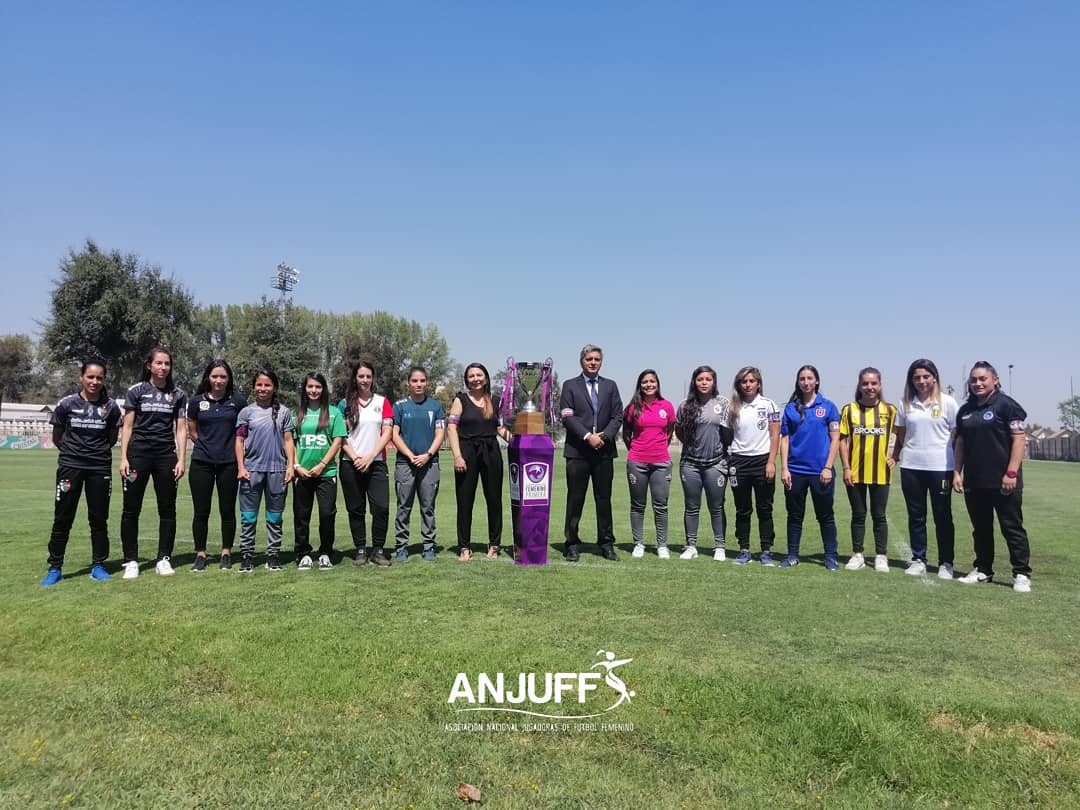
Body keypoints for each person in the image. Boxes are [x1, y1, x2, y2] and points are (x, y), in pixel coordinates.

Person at [40, 361, 122, 586]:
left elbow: (112, 438)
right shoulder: (67, 404)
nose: (95, 382)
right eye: (90, 377)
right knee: (63, 518)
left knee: (98, 519)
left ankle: (98, 565)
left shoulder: (111, 406)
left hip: (99, 468)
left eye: (99, 378)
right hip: (70, 466)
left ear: (103, 380)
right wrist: (74, 454)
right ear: (81, 378)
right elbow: (58, 437)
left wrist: (95, 454)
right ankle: (55, 567)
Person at [953, 361, 1032, 593]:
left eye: (982, 379)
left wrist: (1011, 472)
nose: (977, 383)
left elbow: (1019, 439)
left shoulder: (1006, 406)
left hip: (1004, 481)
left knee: (1012, 528)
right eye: (973, 380)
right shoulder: (965, 410)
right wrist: (957, 471)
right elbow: (960, 443)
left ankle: (1021, 573)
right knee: (981, 529)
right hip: (975, 482)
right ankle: (983, 570)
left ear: (995, 380)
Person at [119, 347, 188, 579]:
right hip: (138, 455)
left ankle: (163, 558)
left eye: (167, 363)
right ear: (149, 365)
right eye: (158, 363)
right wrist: (123, 457)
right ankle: (130, 560)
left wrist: (181, 458)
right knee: (131, 509)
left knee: (167, 509)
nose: (163, 367)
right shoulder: (136, 391)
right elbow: (127, 426)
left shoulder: (177, 394)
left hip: (165, 456)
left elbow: (180, 428)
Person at [889, 359, 958, 579]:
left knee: (942, 515)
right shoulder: (904, 404)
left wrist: (959, 469)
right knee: (916, 516)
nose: (921, 381)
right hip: (911, 467)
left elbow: (958, 437)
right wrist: (895, 456)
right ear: (911, 380)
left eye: (926, 376)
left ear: (934, 377)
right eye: (916, 377)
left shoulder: (948, 403)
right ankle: (919, 559)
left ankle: (946, 562)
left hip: (942, 468)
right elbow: (900, 435)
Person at [559, 345, 623, 561]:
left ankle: (606, 543)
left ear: (601, 362)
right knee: (575, 499)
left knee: (603, 499)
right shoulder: (569, 386)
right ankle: (572, 543)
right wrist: (588, 436)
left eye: (596, 359)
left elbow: (617, 416)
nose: (593, 362)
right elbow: (567, 417)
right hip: (578, 452)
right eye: (589, 359)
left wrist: (603, 437)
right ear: (582, 361)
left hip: (604, 452)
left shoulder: (610, 386)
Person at [186, 359, 247, 572]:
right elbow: (192, 431)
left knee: (227, 510)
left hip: (229, 463)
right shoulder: (196, 402)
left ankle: (226, 552)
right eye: (214, 376)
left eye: (223, 376)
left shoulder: (238, 401)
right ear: (208, 378)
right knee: (201, 511)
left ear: (228, 378)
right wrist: (206, 446)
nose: (218, 380)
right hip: (202, 462)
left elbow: (243, 431)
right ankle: (200, 554)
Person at [779, 365, 841, 570]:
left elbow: (835, 439)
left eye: (810, 378)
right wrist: (784, 468)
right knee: (794, 516)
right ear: (798, 382)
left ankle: (831, 556)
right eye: (802, 379)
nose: (806, 382)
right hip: (795, 471)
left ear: (816, 381)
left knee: (825, 515)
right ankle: (792, 555)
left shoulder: (829, 407)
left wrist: (828, 467)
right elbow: (785, 440)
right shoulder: (790, 408)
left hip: (820, 471)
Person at [448, 363, 511, 561]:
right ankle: (464, 546)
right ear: (467, 380)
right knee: (465, 501)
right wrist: (457, 456)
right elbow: (451, 429)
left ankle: (494, 544)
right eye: (471, 376)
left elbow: (500, 429)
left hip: (491, 451)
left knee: (494, 501)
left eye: (479, 375)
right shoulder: (461, 400)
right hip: (467, 452)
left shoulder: (495, 400)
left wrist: (521, 442)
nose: (475, 378)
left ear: (485, 378)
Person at [235, 370, 296, 573]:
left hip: (277, 471)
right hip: (251, 472)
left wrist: (290, 466)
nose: (263, 389)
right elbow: (239, 440)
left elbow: (289, 441)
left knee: (275, 517)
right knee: (249, 517)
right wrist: (241, 467)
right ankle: (247, 556)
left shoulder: (285, 413)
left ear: (274, 388)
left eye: (267, 385)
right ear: (254, 387)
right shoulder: (246, 412)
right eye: (259, 385)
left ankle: (273, 554)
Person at [839, 368, 898, 573]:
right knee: (858, 514)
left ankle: (881, 556)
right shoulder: (849, 410)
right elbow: (843, 441)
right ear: (859, 385)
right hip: (854, 472)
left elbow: (902, 433)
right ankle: (858, 554)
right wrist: (846, 467)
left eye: (873, 383)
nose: (870, 387)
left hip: (881, 472)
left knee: (879, 515)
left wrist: (895, 456)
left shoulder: (890, 410)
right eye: (865, 383)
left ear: (880, 385)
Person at [338, 360, 394, 567]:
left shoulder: (382, 401)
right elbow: (340, 436)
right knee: (356, 508)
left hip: (376, 463)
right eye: (361, 376)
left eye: (368, 376)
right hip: (350, 463)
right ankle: (360, 548)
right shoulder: (343, 404)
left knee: (380, 507)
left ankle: (378, 549)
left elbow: (387, 432)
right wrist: (356, 458)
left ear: (373, 378)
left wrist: (370, 457)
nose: (364, 380)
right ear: (355, 378)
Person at [674, 366, 733, 561]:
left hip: (715, 464)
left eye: (708, 379)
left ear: (714, 381)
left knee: (716, 506)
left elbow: (727, 433)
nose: (704, 382)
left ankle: (720, 546)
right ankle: (691, 546)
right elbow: (680, 432)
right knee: (691, 506)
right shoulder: (685, 405)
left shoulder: (723, 403)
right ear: (695, 381)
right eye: (700, 379)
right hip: (690, 464)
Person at [292, 372, 347, 571]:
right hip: (302, 473)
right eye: (310, 387)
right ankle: (303, 553)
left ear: (323, 389)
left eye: (317, 387)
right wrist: (297, 466)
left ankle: (325, 552)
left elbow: (338, 440)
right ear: (305, 389)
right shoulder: (296, 413)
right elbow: (291, 443)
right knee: (301, 515)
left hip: (327, 473)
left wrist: (322, 464)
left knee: (326, 514)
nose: (313, 390)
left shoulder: (333, 413)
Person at [727, 367, 781, 566]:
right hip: (739, 462)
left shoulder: (769, 405)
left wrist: (771, 462)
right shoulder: (733, 407)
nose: (748, 385)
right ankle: (744, 550)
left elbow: (775, 435)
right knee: (743, 509)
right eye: (744, 381)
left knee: (764, 508)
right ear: (739, 384)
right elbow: (727, 435)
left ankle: (766, 550)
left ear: (758, 383)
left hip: (762, 462)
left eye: (751, 381)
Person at [392, 366, 446, 562]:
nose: (418, 384)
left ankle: (429, 546)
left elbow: (440, 433)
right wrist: (409, 454)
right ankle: (400, 547)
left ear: (427, 382)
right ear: (408, 383)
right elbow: (393, 434)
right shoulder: (399, 406)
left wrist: (428, 454)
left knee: (428, 507)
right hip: (405, 464)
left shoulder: (436, 406)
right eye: (414, 381)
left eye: (422, 381)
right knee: (403, 507)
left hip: (429, 464)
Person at [622, 369, 676, 559]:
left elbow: (669, 431)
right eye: (645, 382)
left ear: (657, 384)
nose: (649, 384)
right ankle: (639, 543)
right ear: (640, 384)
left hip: (661, 462)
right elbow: (626, 433)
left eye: (652, 381)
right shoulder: (632, 408)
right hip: (637, 462)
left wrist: (659, 448)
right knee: (637, 505)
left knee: (661, 505)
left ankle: (662, 545)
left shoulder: (667, 406)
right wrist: (637, 450)